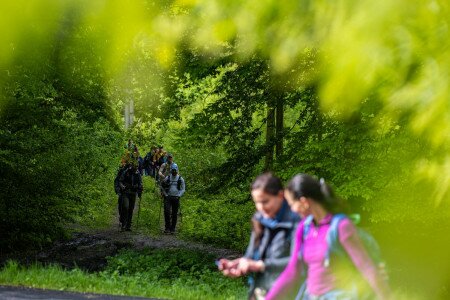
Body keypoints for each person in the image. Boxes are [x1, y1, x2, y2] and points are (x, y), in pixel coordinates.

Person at [265, 174, 390, 300]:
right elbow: (292, 271)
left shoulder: (341, 226)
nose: (292, 210)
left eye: (292, 204)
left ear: (304, 202)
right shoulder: (304, 228)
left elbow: (366, 267)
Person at [218, 173, 300, 300]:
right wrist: (239, 264)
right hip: (259, 290)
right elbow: (251, 256)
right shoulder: (259, 219)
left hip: (287, 292)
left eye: (265, 201)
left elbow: (300, 262)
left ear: (280, 195)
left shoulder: (297, 222)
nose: (261, 207)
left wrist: (260, 266)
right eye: (257, 202)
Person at [118, 161, 143, 232]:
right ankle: (123, 224)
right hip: (126, 192)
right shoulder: (126, 172)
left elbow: (140, 183)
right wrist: (122, 186)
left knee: (131, 209)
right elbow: (120, 181)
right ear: (132, 166)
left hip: (133, 193)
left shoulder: (138, 174)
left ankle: (128, 225)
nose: (137, 168)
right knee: (125, 207)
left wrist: (140, 191)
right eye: (135, 166)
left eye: (137, 166)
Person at [161, 163, 185, 234]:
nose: (174, 172)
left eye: (175, 170)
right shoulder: (167, 178)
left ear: (177, 170)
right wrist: (165, 194)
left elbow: (183, 189)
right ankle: (167, 227)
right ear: (171, 170)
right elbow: (162, 186)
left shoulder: (180, 179)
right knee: (167, 212)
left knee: (174, 213)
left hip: (176, 198)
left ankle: (173, 228)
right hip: (168, 197)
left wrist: (179, 195)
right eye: (173, 170)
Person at [114, 158, 127, 228]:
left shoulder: (134, 170)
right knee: (121, 206)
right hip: (122, 191)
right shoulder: (122, 170)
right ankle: (122, 219)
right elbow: (117, 180)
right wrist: (117, 190)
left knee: (127, 207)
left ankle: (126, 221)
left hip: (129, 191)